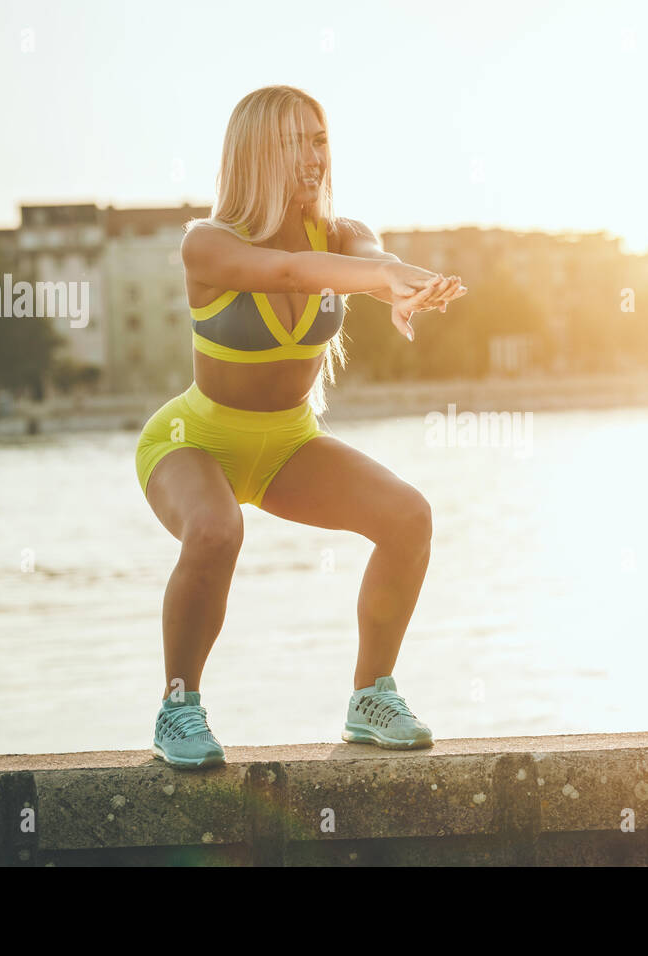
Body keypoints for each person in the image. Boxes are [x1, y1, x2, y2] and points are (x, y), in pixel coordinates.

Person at [135, 85, 467, 767]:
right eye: (293, 142)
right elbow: (287, 271)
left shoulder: (342, 234)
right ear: (255, 153)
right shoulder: (208, 243)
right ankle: (179, 707)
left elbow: (367, 254)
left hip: (289, 442)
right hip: (193, 441)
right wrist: (380, 277)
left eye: (318, 139)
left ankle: (371, 696)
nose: (312, 155)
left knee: (409, 517)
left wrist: (403, 281)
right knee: (217, 528)